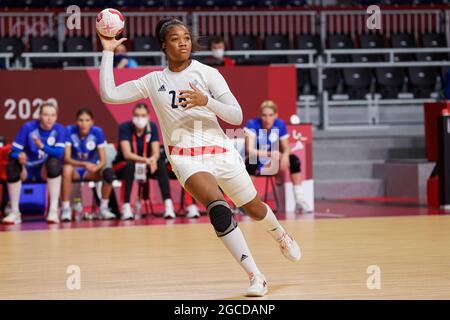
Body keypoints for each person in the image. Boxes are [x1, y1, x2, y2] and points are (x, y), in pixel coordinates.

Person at [98, 18, 300, 297]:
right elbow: (109, 94)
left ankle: (280, 234)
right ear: (163, 45)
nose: (183, 42)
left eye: (186, 37)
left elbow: (237, 116)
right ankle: (256, 275)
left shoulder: (207, 73)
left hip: (220, 151)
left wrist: (207, 102)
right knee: (218, 208)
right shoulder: (153, 81)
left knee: (252, 206)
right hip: (185, 157)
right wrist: (108, 50)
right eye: (175, 38)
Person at [244, 100, 312, 213]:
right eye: (264, 115)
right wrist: (270, 154)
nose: (267, 119)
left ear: (275, 115)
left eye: (270, 115)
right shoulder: (252, 124)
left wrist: (285, 155)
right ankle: (247, 203)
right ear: (260, 116)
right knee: (251, 162)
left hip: (273, 158)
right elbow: (250, 150)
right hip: (256, 157)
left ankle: (299, 200)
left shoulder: (280, 124)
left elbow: (286, 148)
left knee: (294, 160)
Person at [2, 102, 65, 224]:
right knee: (12, 165)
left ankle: (52, 211)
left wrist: (42, 146)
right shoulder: (28, 127)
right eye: (46, 114)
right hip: (27, 169)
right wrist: (19, 156)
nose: (49, 118)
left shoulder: (59, 129)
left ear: (56, 117)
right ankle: (15, 212)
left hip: (43, 170)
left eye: (52, 115)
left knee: (54, 163)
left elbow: (59, 153)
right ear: (40, 116)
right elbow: (13, 152)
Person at [112, 103, 176, 220]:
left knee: (161, 164)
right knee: (130, 165)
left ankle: (168, 205)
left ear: (148, 116)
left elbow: (156, 152)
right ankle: (126, 207)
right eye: (136, 115)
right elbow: (127, 154)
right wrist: (147, 160)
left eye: (142, 115)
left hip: (145, 166)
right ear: (132, 116)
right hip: (125, 165)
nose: (139, 118)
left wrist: (152, 160)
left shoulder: (152, 127)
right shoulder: (125, 127)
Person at [61, 108, 116, 221]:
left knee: (108, 173)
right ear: (76, 122)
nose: (84, 123)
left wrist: (97, 167)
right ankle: (66, 209)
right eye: (81, 120)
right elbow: (66, 158)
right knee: (66, 169)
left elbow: (103, 160)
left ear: (92, 122)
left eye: (87, 120)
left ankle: (103, 208)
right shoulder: (69, 130)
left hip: (91, 170)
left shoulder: (98, 132)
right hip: (75, 169)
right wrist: (84, 164)